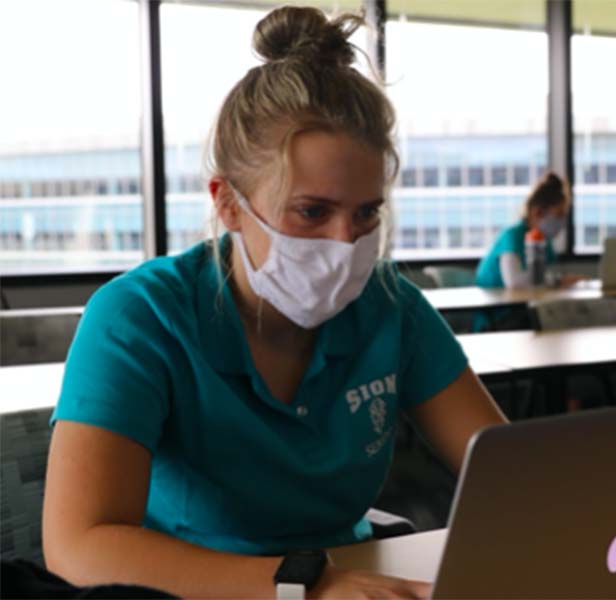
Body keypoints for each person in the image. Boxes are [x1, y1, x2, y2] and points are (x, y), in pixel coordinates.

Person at [42, 7, 506, 599]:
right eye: (311, 212)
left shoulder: (392, 308)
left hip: (344, 579)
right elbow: (80, 546)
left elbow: (506, 479)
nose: (346, 243)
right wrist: (304, 589)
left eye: (366, 213)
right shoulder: (140, 318)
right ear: (229, 203)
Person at [475, 171, 573, 289]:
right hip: (497, 306)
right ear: (538, 212)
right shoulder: (511, 236)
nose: (562, 222)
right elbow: (514, 282)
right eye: (558, 215)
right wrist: (557, 281)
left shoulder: (545, 243)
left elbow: (543, 277)